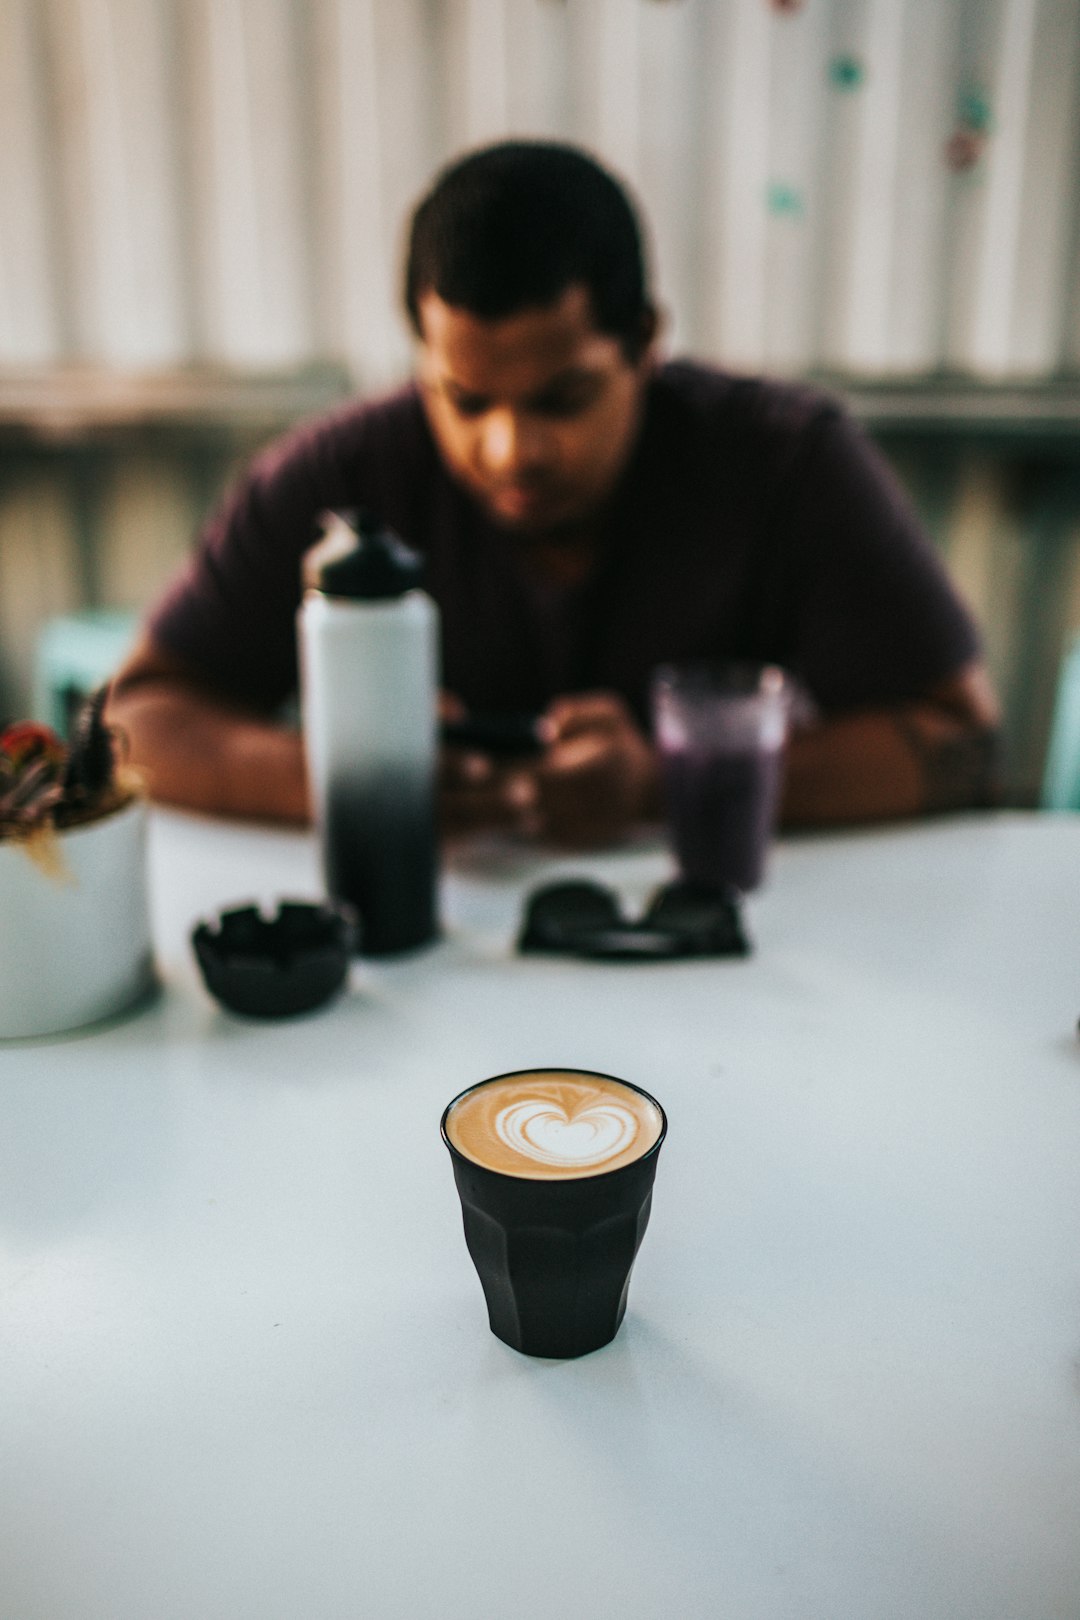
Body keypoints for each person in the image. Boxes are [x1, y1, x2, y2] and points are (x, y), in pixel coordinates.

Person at [108, 140, 1000, 847]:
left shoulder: (787, 462)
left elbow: (962, 741)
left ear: (644, 342)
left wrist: (668, 781)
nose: (510, 450)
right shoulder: (343, 475)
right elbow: (138, 718)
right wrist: (350, 778)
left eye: (562, 399)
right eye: (463, 400)